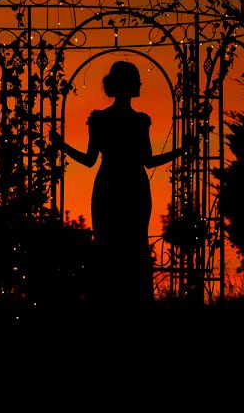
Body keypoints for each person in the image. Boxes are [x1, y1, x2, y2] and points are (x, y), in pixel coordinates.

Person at [53, 60, 193, 307]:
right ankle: (132, 302)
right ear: (127, 84)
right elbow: (148, 161)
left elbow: (88, 161)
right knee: (133, 245)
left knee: (111, 245)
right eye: (137, 79)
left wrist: (61, 145)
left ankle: (108, 300)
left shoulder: (102, 119)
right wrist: (182, 150)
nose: (140, 83)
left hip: (109, 186)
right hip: (133, 187)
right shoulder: (137, 121)